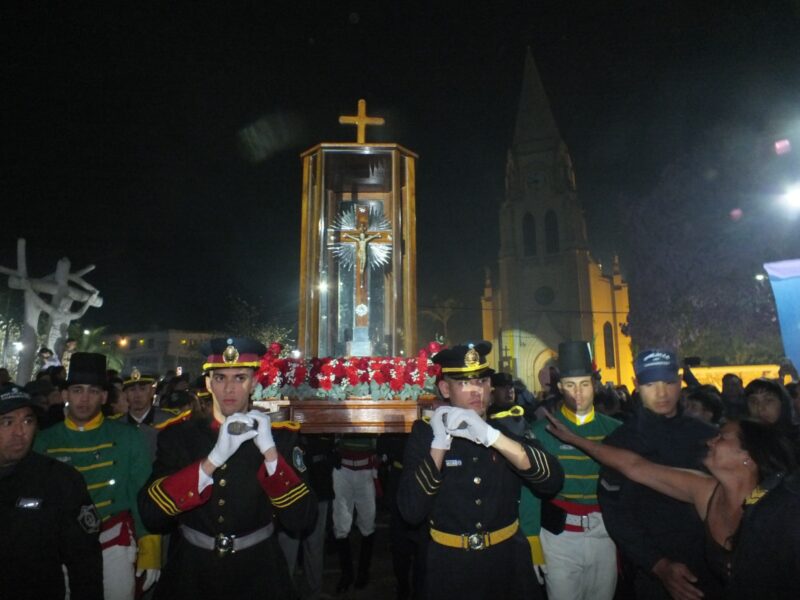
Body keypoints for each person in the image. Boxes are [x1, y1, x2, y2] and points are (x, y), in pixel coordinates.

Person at [543, 412, 799, 598]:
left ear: (747, 456)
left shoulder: (779, 509)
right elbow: (635, 466)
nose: (711, 440)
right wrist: (577, 440)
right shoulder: (706, 492)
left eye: (722, 437)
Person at [137, 337, 317, 600]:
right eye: (220, 378)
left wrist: (270, 455)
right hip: (192, 572)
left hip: (259, 572)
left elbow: (302, 519)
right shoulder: (178, 435)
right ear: (208, 383)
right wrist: (210, 463)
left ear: (254, 382)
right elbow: (151, 514)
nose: (229, 388)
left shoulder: (280, 437)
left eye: (240, 378)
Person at [397, 341, 564, 600]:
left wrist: (491, 436)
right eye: (464, 383)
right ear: (445, 388)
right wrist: (439, 444)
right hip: (449, 568)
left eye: (483, 381)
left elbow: (552, 480)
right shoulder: (425, 435)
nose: (477, 390)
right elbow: (411, 510)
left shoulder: (508, 430)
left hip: (507, 564)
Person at [33, 352, 160, 600]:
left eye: (93, 391)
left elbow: (142, 493)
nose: (84, 399)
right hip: (58, 546)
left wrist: (150, 543)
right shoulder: (44, 440)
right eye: (77, 390)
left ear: (103, 397)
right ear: (65, 395)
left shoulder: (127, 437)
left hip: (113, 542)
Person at [598, 349, 720, 599]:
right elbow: (615, 513)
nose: (661, 393)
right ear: (637, 385)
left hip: (712, 568)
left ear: (680, 382)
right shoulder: (619, 442)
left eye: (668, 382)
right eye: (651, 384)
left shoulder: (708, 436)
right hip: (653, 573)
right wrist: (657, 564)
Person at [520, 341, 621, 600]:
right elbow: (531, 488)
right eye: (570, 385)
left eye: (585, 384)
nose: (578, 392)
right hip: (559, 538)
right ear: (559, 387)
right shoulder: (542, 431)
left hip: (605, 535)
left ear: (595, 385)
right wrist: (531, 539)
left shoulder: (615, 430)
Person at [0, 383, 103, 600]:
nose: (20, 432)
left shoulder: (59, 480)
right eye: (7, 422)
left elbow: (84, 562)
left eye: (27, 421)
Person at [332, 433, 379, 592]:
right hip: (342, 469)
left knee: (368, 522)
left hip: (365, 469)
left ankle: (363, 572)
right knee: (340, 524)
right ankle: (347, 574)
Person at [123, 368, 188, 458]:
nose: (137, 395)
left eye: (143, 389)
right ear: (125, 393)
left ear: (152, 392)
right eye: (132, 389)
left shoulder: (170, 421)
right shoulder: (117, 424)